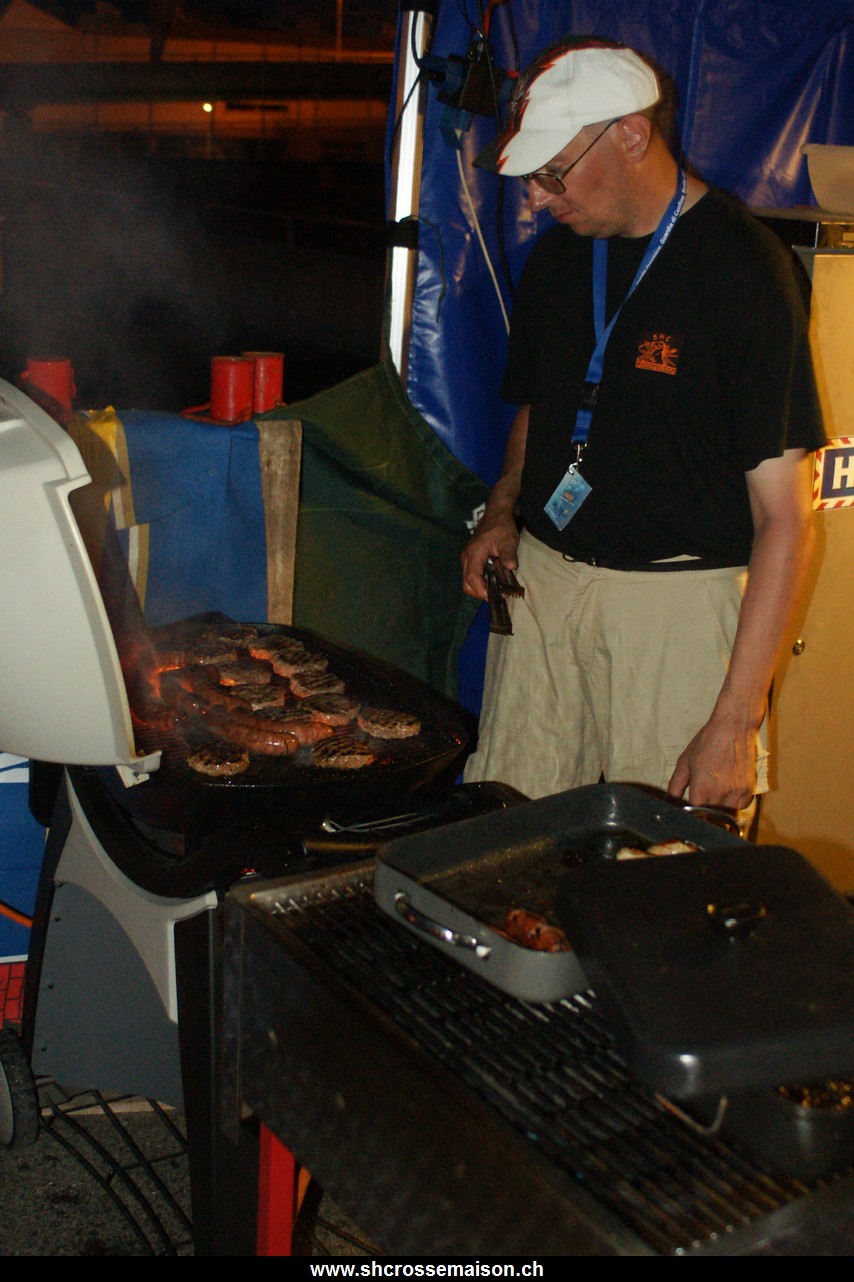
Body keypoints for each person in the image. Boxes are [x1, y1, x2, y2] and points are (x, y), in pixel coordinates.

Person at [461, 35, 825, 822]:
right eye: (531, 179)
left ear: (629, 134)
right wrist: (501, 512)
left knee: (667, 866)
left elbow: (786, 520)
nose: (538, 200)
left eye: (552, 172)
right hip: (546, 589)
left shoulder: (746, 271)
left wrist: (736, 721)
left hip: (675, 610)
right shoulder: (559, 260)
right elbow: (539, 409)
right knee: (511, 833)